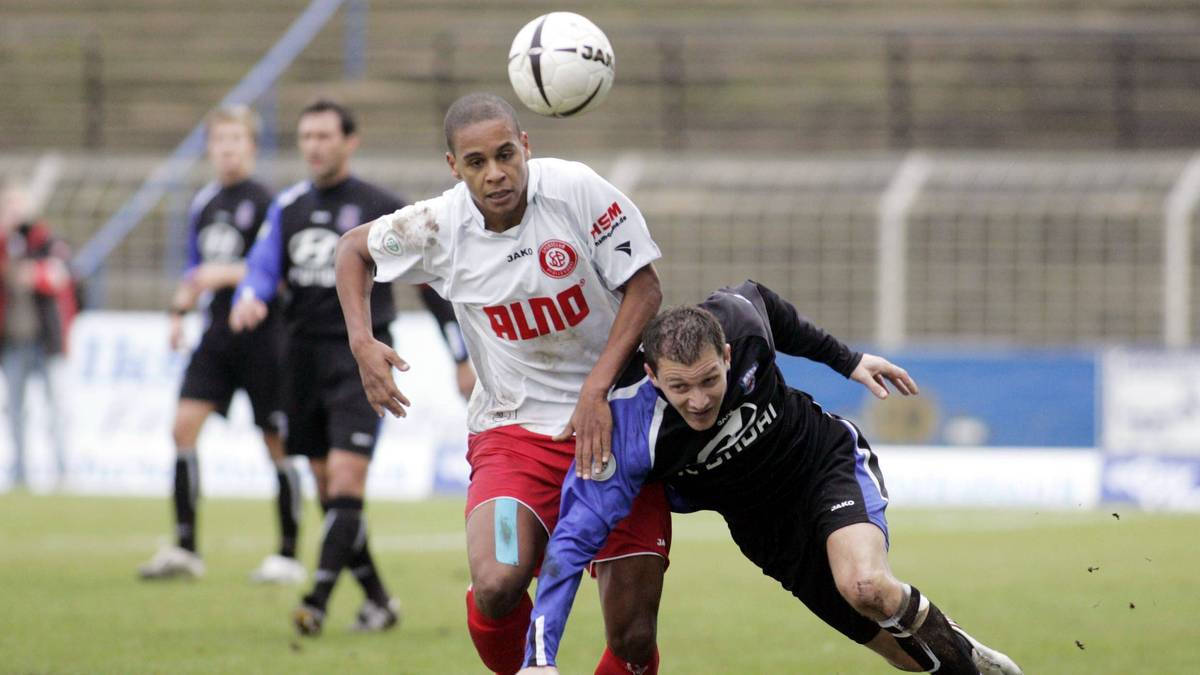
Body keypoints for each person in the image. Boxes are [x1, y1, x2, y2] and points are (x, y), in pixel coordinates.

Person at [518, 281, 1023, 675]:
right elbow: (570, 545)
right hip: (766, 532)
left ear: (728, 356)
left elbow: (769, 304)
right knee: (907, 658)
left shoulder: (740, 321)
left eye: (710, 380)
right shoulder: (631, 436)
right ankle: (955, 644)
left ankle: (957, 656)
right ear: (652, 376)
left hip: (822, 467)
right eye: (679, 387)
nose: (698, 400)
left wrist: (847, 361)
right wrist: (540, 656)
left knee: (866, 586)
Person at [335, 92, 670, 674]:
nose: (495, 174)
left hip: (618, 428)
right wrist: (362, 341)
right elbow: (352, 250)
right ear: (453, 167)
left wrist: (596, 389)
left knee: (633, 637)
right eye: (476, 162)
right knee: (496, 582)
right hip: (515, 436)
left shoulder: (577, 191)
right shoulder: (440, 226)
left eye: (505, 155)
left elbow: (645, 288)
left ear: (526, 149)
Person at [230, 99, 460, 635]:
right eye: (306, 136)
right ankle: (379, 602)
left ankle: (316, 600)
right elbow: (262, 267)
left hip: (361, 358)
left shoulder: (381, 208)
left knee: (347, 481)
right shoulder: (286, 207)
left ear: (349, 141)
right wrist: (249, 295)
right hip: (300, 359)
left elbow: (429, 282)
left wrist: (459, 353)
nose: (314, 146)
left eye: (324, 136)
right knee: (329, 491)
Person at [136, 105, 303, 583]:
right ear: (210, 147)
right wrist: (177, 312)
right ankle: (186, 548)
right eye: (220, 140)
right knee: (182, 428)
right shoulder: (204, 202)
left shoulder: (270, 203)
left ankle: (288, 555)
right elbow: (194, 270)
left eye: (236, 140)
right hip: (215, 335)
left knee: (276, 441)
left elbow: (281, 275)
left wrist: (226, 274)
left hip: (263, 336)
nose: (227, 148)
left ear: (251, 146)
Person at [0, 182, 76, 490]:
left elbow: (59, 276)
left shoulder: (47, 240)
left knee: (55, 408)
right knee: (15, 410)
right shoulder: (5, 244)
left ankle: (62, 473)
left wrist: (32, 274)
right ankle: (20, 474)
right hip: (12, 342)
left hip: (47, 342)